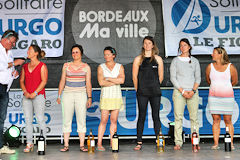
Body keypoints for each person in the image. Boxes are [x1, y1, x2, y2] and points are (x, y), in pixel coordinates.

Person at [57, 44, 92, 152]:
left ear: (81, 53)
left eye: (77, 52)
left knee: (81, 119)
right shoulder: (66, 65)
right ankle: (66, 145)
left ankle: (82, 145)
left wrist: (89, 97)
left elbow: (88, 82)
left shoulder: (86, 67)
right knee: (66, 119)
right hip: (67, 94)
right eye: (73, 52)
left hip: (81, 94)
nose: (74, 54)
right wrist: (59, 95)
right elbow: (62, 80)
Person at [132, 36, 164, 150]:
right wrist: (139, 89)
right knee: (141, 116)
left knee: (156, 116)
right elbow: (134, 77)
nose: (147, 45)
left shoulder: (158, 59)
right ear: (143, 45)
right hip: (142, 92)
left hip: (155, 92)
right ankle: (139, 141)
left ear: (153, 45)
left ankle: (158, 140)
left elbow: (161, 76)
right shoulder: (138, 59)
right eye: (145, 43)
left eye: (149, 43)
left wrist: (154, 86)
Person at [170, 38, 201, 150]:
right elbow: (173, 78)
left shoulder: (195, 61)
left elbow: (198, 78)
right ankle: (178, 142)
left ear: (189, 47)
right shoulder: (175, 61)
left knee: (194, 118)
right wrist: (182, 91)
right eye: (181, 45)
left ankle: (195, 142)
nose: (183, 47)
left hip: (193, 92)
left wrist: (192, 91)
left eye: (185, 45)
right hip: (179, 93)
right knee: (178, 118)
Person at [205, 47, 238, 150]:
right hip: (214, 98)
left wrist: (225, 89)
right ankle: (216, 144)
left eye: (214, 53)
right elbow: (208, 80)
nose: (212, 55)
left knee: (228, 120)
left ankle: (230, 143)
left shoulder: (230, 67)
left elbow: (235, 81)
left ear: (220, 54)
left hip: (227, 98)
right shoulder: (210, 67)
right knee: (216, 120)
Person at [0, 30, 25, 154]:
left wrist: (14, 73)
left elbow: (9, 68)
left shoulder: (9, 52)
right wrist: (14, 63)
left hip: (5, 88)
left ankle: (0, 146)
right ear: (5, 40)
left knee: (1, 118)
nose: (13, 45)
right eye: (13, 42)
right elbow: (2, 65)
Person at [20, 45, 48, 152]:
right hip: (26, 96)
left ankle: (42, 143)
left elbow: (44, 81)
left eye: (30, 50)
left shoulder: (42, 66)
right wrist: (25, 92)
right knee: (28, 120)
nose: (28, 52)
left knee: (40, 119)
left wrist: (35, 93)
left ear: (36, 53)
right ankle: (29, 143)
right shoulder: (25, 66)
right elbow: (22, 81)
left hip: (38, 96)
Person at [97, 46, 125, 151]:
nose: (106, 56)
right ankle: (99, 143)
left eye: (108, 54)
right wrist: (115, 80)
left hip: (116, 96)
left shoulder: (119, 66)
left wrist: (108, 78)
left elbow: (122, 80)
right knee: (103, 120)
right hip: (105, 96)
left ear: (113, 55)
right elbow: (101, 82)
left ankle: (113, 143)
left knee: (114, 120)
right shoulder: (101, 67)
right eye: (105, 54)